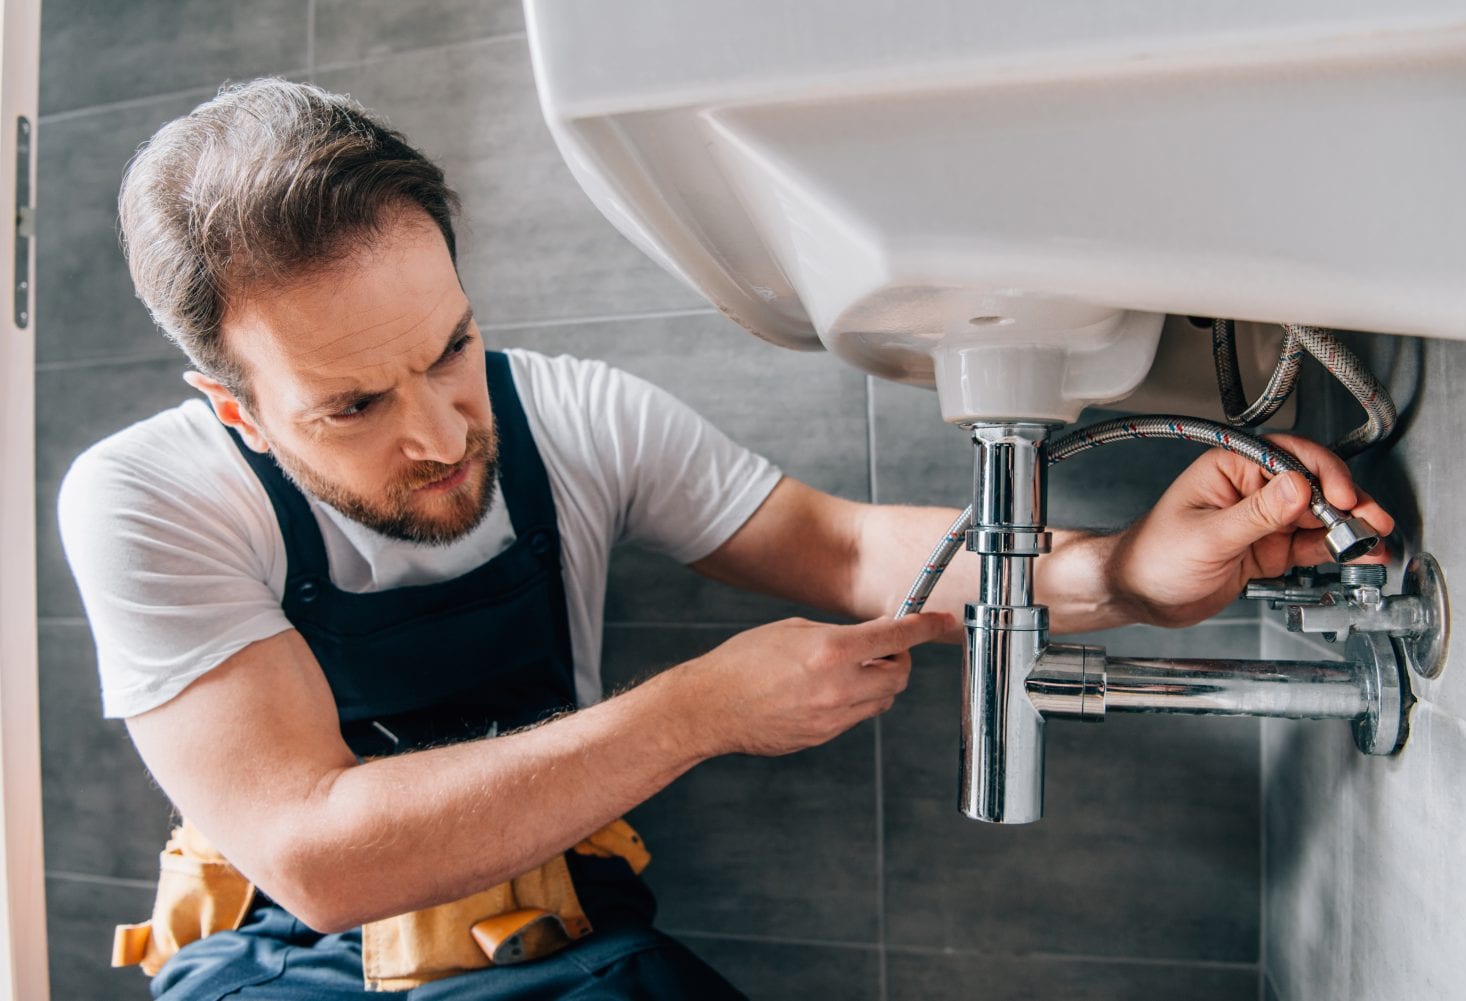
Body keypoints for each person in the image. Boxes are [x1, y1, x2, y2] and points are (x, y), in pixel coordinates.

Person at [59, 79, 1392, 1000]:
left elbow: (845, 549)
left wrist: (1129, 575)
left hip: (560, 949)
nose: (442, 429)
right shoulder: (145, 497)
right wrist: (696, 708)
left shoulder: (572, 417)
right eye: (353, 405)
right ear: (232, 408)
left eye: (451, 345)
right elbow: (319, 852)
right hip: (285, 963)